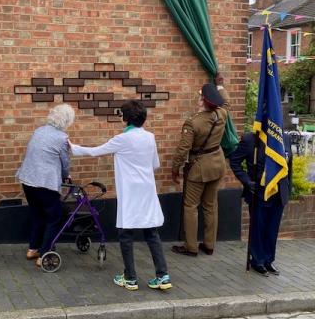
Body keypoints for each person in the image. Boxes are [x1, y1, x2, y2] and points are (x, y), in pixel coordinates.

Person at [70, 100, 172, 292]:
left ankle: (130, 277)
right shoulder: (150, 137)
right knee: (152, 233)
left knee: (126, 234)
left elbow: (95, 152)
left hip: (131, 193)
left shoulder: (122, 139)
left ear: (126, 118)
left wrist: (72, 147)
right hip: (148, 191)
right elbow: (155, 164)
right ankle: (162, 275)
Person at [171, 83, 229, 257]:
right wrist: (219, 85)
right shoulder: (222, 114)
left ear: (202, 101)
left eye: (199, 97)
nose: (197, 99)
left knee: (190, 207)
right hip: (217, 164)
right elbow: (226, 102)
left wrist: (175, 169)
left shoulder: (193, 122)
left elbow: (183, 149)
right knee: (211, 206)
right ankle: (209, 245)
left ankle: (191, 247)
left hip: (199, 168)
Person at [16, 104, 75, 267]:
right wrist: (65, 176)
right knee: (54, 217)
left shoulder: (39, 130)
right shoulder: (62, 138)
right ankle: (44, 254)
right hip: (45, 183)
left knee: (37, 214)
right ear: (67, 121)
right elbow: (64, 163)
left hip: (28, 179)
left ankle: (33, 249)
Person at [229, 132, 292, 276]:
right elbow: (235, 161)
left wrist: (288, 189)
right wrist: (247, 181)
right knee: (258, 228)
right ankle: (257, 260)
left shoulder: (284, 138)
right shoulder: (251, 139)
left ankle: (269, 260)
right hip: (259, 192)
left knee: (272, 229)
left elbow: (288, 166)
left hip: (278, 192)